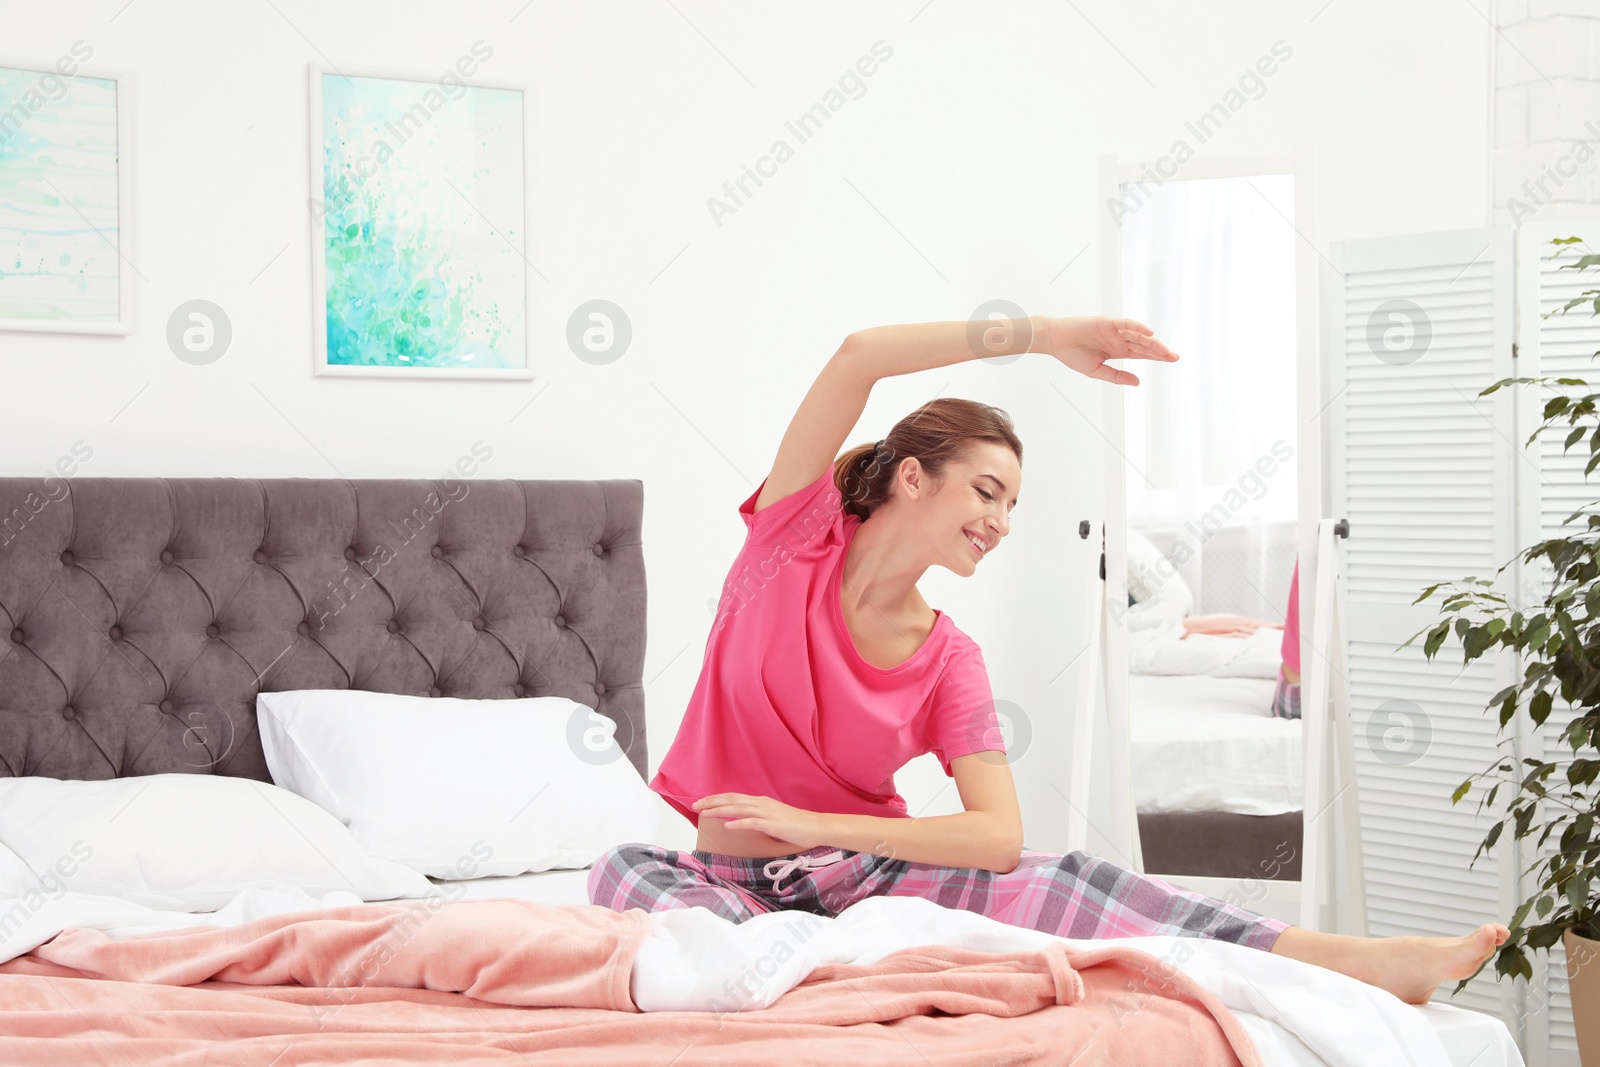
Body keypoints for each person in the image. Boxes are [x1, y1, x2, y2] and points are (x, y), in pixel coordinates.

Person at [588, 314, 1508, 1006]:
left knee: (1076, 879)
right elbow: (859, 355)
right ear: (914, 475)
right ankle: (810, 970)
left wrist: (813, 822)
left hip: (862, 877)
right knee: (618, 876)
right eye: (987, 490)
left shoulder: (950, 657)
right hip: (720, 880)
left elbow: (994, 835)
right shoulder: (791, 537)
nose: (1000, 520)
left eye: (1013, 504)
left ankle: (1359, 960)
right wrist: (1049, 334)